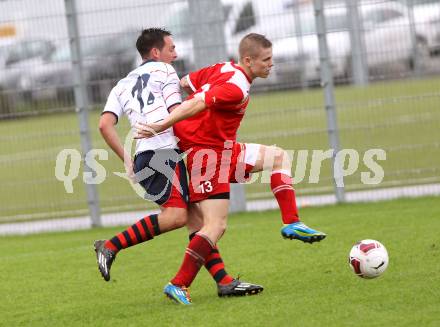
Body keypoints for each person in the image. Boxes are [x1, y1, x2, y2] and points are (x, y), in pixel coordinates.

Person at [135, 33, 326, 305]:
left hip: (223, 149)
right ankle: (178, 284)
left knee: (278, 157)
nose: (271, 64)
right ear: (248, 60)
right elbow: (197, 101)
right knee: (215, 225)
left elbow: (185, 83)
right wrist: (163, 125)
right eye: (266, 60)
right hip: (208, 156)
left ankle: (291, 223)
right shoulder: (235, 87)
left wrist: (194, 122)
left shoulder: (223, 68)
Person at [95, 28, 263, 299]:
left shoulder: (122, 84)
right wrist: (202, 136)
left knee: (197, 221)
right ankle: (111, 246)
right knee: (177, 216)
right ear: (155, 52)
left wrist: (128, 161)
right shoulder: (165, 72)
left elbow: (105, 125)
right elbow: (177, 112)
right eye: (171, 48)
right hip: (161, 155)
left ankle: (224, 281)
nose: (176, 53)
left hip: (148, 156)